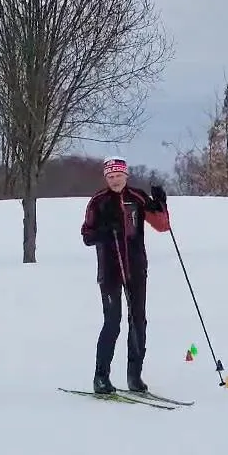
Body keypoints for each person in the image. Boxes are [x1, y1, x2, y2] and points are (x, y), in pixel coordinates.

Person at [79, 156, 170, 394]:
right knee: (112, 323)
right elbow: (87, 235)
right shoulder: (98, 201)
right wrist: (105, 231)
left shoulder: (137, 197)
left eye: (119, 176)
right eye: (111, 177)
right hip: (109, 271)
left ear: (126, 176)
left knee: (138, 322)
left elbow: (162, 225)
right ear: (106, 178)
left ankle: (134, 376)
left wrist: (161, 203)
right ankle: (101, 377)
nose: (115, 180)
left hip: (136, 268)